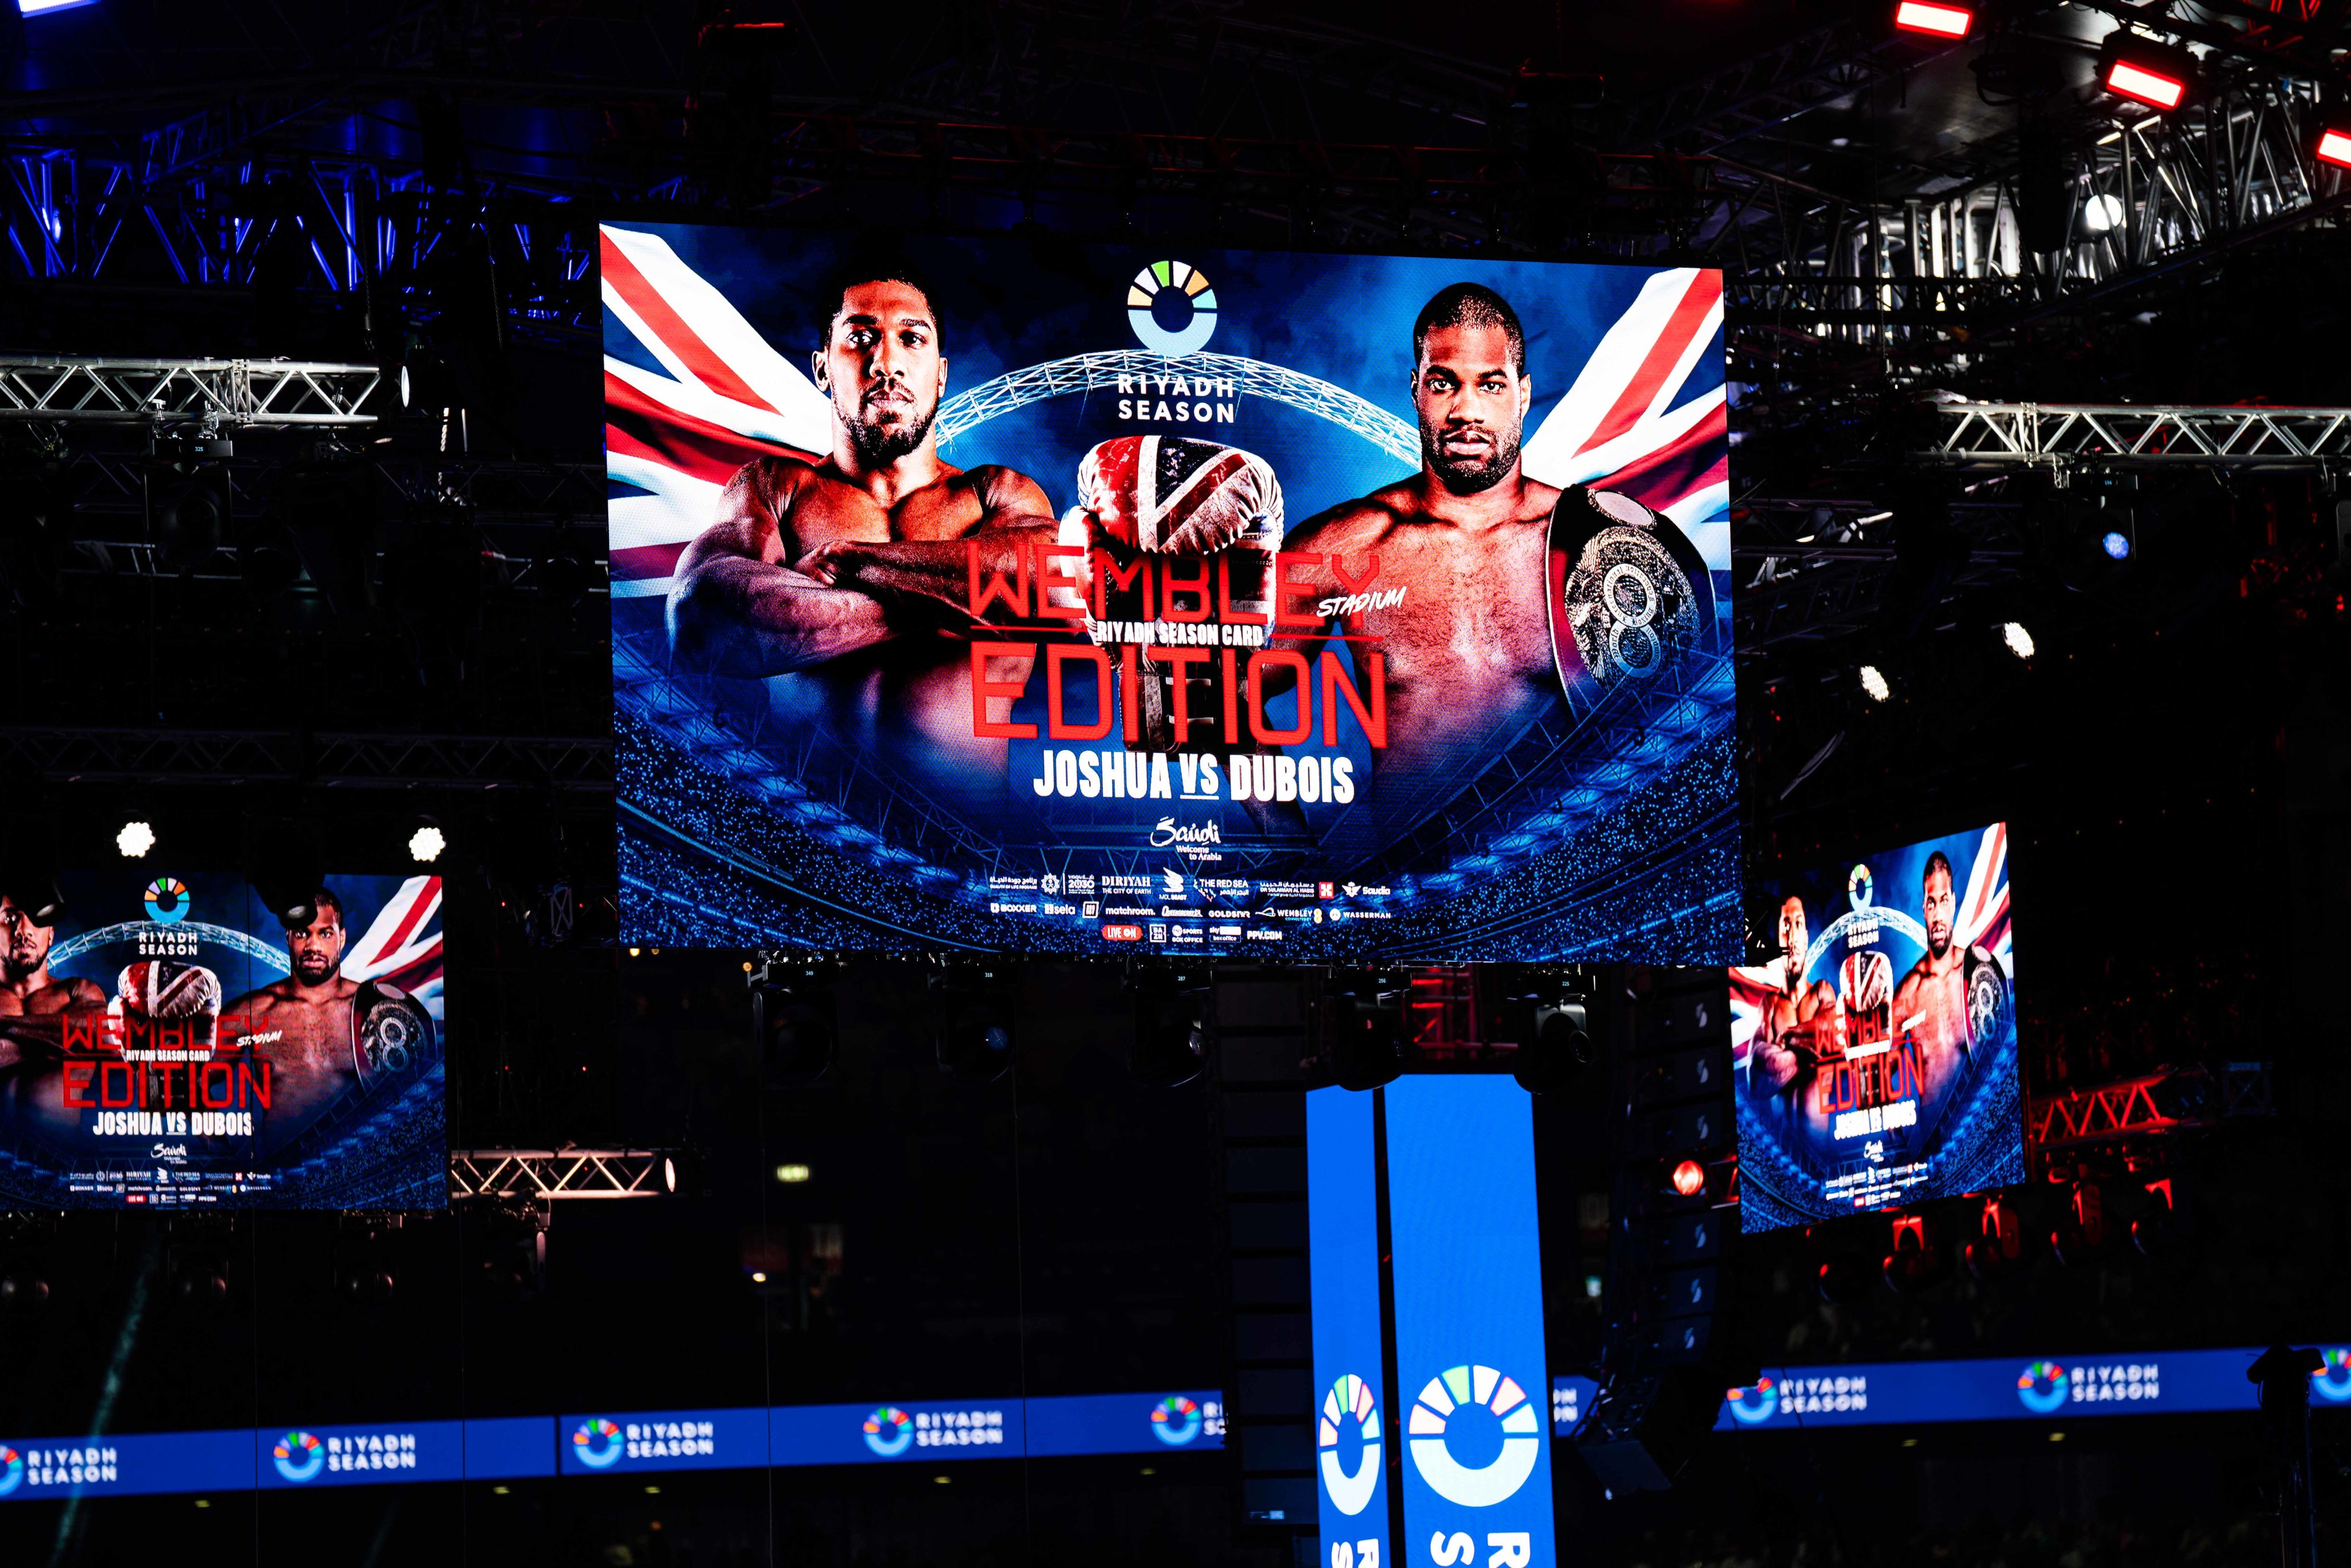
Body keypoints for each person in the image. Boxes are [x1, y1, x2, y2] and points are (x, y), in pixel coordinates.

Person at [666, 261, 1060, 797]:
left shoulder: (997, 495)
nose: (886, 362)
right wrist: (956, 594)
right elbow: (700, 617)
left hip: (968, 842)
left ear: (940, 373)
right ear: (824, 368)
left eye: (911, 339)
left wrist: (853, 564)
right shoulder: (777, 488)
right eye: (860, 338)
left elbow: (1051, 586)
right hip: (799, 827)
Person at [1277, 283, 1563, 824]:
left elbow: (1673, 696)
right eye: (1444, 383)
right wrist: (1295, 846)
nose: (1466, 410)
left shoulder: (1584, 540)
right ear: (1416, 390)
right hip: (1407, 886)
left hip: (1568, 868)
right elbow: (1222, 700)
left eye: (1492, 384)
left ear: (1523, 394)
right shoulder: (1347, 545)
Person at [224, 890, 363, 1136]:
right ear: (288, 937)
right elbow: (183, 1081)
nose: (313, 946)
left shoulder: (371, 1008)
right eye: (302, 933)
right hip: (281, 1169)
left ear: (341, 938)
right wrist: (222, 1155)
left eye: (325, 933)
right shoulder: (256, 1011)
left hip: (363, 1164)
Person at [1891, 851, 1973, 1107]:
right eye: (1931, 903)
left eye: (1944, 900)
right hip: (1933, 1141)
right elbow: (1877, 1076)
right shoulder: (1908, 992)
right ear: (1923, 909)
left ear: (1954, 903)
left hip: (1979, 1128)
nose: (1938, 915)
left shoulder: (1975, 971)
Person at [1752, 895, 1842, 1098]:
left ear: (1807, 937)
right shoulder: (1770, 1005)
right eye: (1786, 926)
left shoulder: (1821, 993)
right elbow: (1756, 1076)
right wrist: (1805, 1049)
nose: (1792, 937)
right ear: (1777, 940)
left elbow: (1836, 1037)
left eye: (1798, 924)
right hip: (1775, 1131)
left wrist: (1788, 1037)